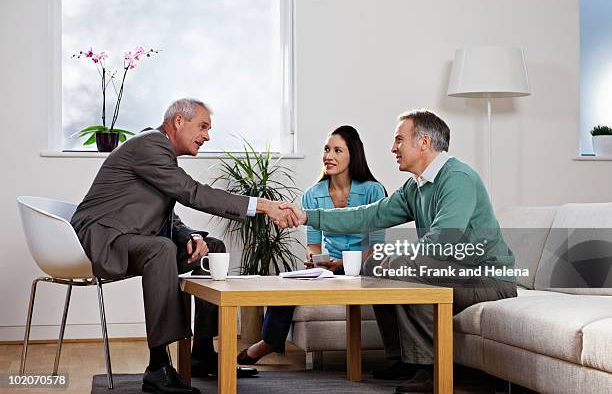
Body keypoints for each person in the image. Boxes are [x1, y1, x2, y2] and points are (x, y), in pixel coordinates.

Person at [70, 98, 299, 394]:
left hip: (130, 237)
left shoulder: (159, 151)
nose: (206, 136)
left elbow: (169, 215)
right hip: (103, 239)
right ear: (179, 121)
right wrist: (264, 206)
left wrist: (190, 236)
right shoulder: (150, 145)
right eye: (202, 127)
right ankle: (158, 367)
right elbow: (193, 193)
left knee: (211, 247)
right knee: (160, 249)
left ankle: (202, 352)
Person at [280, 110, 518, 393]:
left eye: (399, 140)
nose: (393, 148)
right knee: (375, 264)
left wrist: (396, 258)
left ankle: (431, 368)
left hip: (486, 279)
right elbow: (368, 216)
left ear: (424, 143)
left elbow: (442, 242)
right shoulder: (415, 187)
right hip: (449, 274)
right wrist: (308, 216)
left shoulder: (457, 178)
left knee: (400, 267)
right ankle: (403, 358)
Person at [237, 125, 386, 364]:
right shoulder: (312, 194)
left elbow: (376, 246)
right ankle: (270, 341)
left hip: (364, 267)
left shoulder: (373, 191)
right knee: (285, 282)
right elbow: (314, 245)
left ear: (353, 154)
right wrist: (317, 261)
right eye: (327, 149)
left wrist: (347, 262)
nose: (329, 156)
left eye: (338, 150)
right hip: (330, 270)